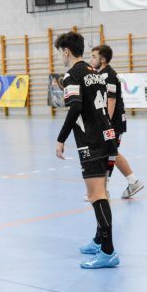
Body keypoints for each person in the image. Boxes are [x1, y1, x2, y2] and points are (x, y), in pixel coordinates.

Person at [54, 32, 119, 269]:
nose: (60, 56)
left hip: (91, 141)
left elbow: (75, 109)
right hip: (107, 135)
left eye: (60, 52)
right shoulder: (95, 73)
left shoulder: (72, 74)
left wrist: (61, 138)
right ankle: (100, 239)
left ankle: (108, 251)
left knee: (96, 195)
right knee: (102, 191)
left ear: (66, 51)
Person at [91, 45, 145, 199]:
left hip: (114, 122)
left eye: (94, 57)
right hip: (109, 122)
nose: (91, 60)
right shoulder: (100, 74)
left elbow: (112, 100)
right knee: (108, 153)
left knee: (111, 152)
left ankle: (131, 182)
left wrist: (105, 122)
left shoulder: (109, 75)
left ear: (102, 59)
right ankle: (107, 188)